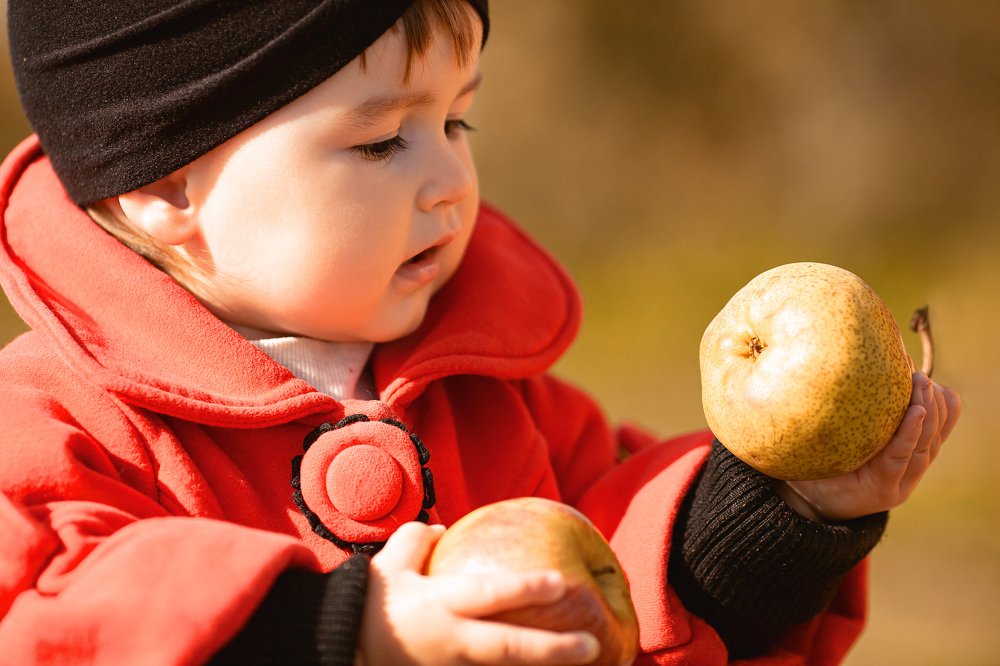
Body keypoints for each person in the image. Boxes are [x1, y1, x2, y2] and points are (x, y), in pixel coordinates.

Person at [0, 1, 961, 664]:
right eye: (382, 140)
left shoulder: (506, 405)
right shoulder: (53, 422)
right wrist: (344, 629)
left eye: (458, 123)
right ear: (166, 186)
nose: (451, 179)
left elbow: (632, 594)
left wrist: (788, 513)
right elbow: (43, 612)